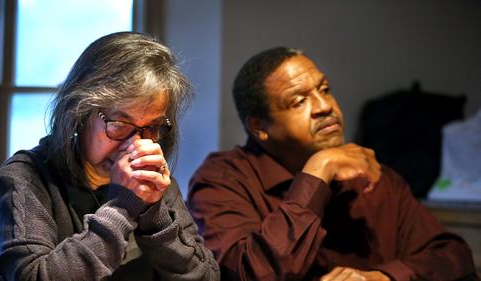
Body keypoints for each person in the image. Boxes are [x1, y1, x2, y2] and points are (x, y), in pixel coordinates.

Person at [188, 47, 478, 280]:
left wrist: (382, 277)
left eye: (325, 89)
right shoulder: (223, 179)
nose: (325, 106)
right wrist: (318, 172)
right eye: (299, 101)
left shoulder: (374, 175)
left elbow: (454, 256)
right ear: (259, 127)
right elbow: (252, 274)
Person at [0, 32, 219, 281]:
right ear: (79, 114)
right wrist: (123, 207)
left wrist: (154, 214)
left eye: (152, 127)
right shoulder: (24, 177)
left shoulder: (153, 182)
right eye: (120, 124)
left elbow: (206, 276)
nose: (137, 144)